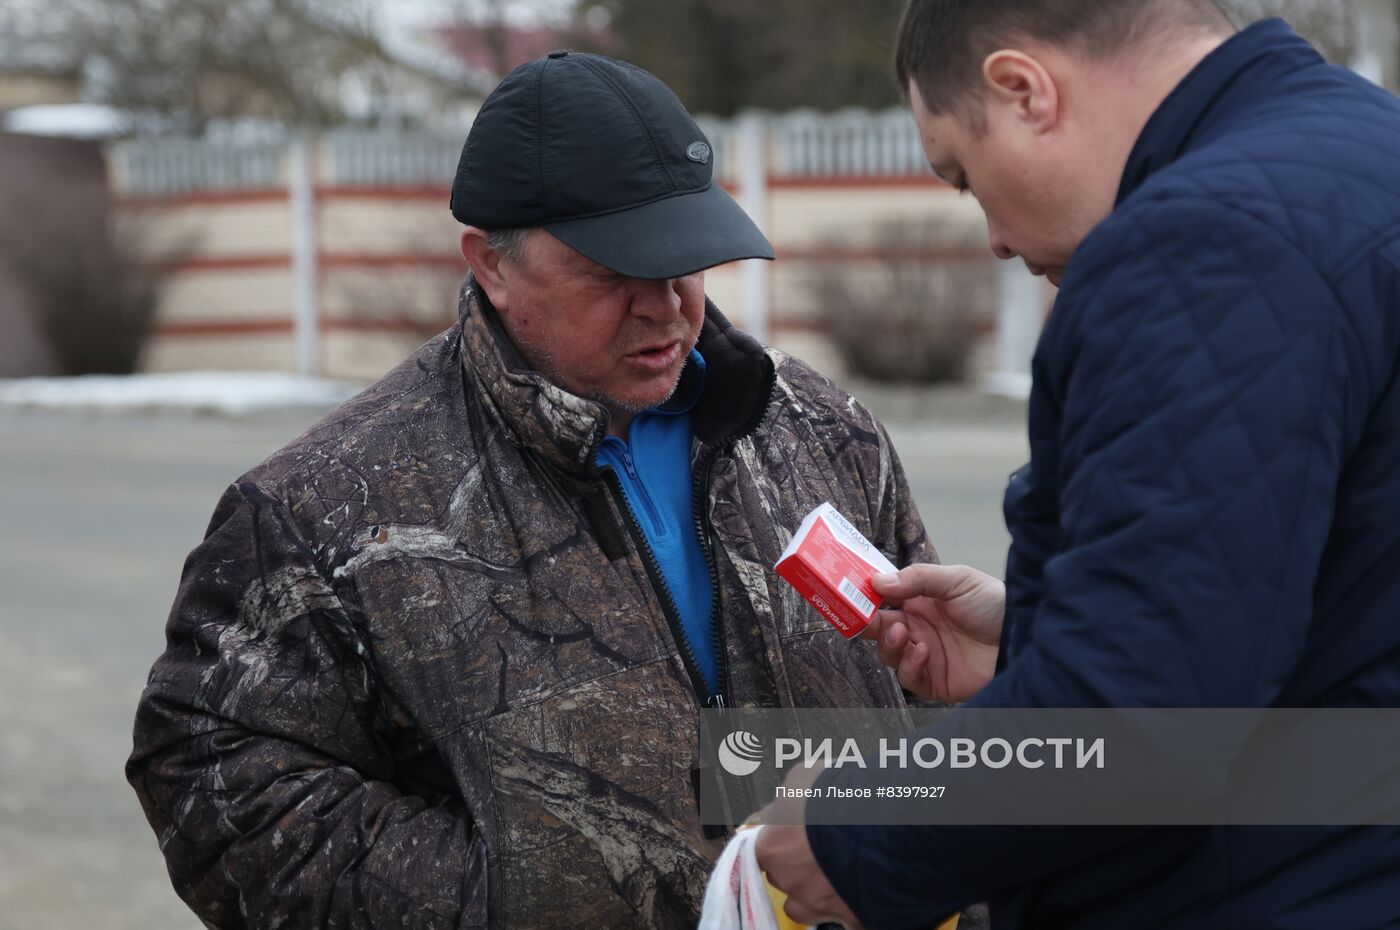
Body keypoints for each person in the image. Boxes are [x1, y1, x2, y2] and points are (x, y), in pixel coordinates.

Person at [126, 52, 936, 929]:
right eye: (616, 271)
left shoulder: (819, 427)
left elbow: (936, 702)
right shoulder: (325, 507)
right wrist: (506, 900)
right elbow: (212, 771)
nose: (667, 305)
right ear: (493, 265)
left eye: (689, 260)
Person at [757, 1, 1400, 927]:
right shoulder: (1359, 157)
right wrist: (1042, 638)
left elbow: (1144, 717)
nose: (995, 239)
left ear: (1023, 91)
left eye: (966, 177)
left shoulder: (1203, 244)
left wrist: (860, 829)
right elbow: (1329, 605)